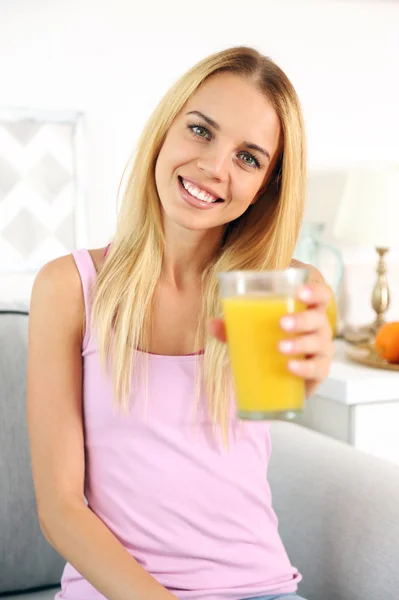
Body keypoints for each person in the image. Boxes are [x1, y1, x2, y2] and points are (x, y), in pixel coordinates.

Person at [26, 46, 334, 600]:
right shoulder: (68, 289)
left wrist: (309, 371)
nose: (214, 167)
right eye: (200, 130)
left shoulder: (285, 290)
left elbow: (297, 382)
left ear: (267, 184)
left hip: (258, 586)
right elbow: (60, 508)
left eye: (248, 158)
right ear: (166, 129)